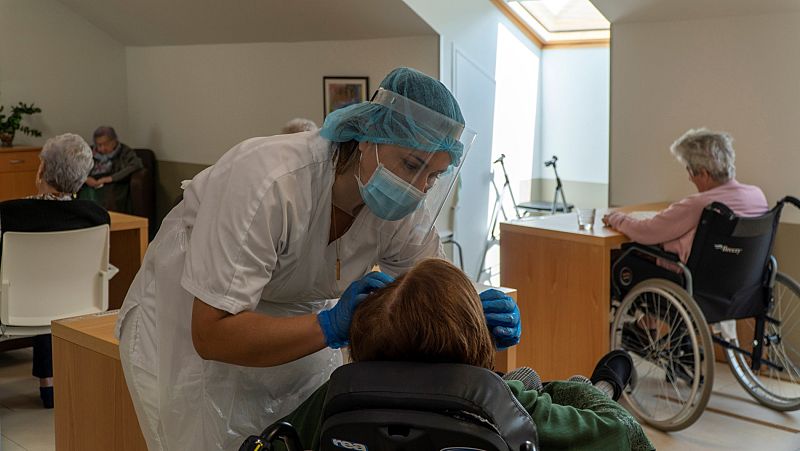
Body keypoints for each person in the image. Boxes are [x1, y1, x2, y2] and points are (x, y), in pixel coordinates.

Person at [115, 67, 521, 450]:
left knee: (306, 430)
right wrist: (330, 324)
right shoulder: (269, 182)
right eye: (412, 164)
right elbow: (211, 334)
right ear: (368, 136)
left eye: (434, 175)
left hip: (298, 322)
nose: (418, 187)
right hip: (191, 325)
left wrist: (473, 312)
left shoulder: (403, 211)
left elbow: (435, 284)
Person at [276, 258, 654, 451]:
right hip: (523, 391)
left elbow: (274, 442)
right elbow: (621, 435)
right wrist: (575, 391)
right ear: (474, 340)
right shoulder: (500, 401)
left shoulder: (338, 397)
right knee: (534, 380)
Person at [0, 133, 109, 408]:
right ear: (83, 178)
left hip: (16, 306)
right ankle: (50, 384)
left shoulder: (9, 214)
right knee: (52, 283)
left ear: (41, 170)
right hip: (75, 305)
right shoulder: (96, 216)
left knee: (32, 282)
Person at [603, 128, 768, 290]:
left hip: (693, 282)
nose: (689, 178)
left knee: (616, 261)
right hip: (741, 283)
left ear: (703, 173)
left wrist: (616, 218)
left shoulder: (701, 204)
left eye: (689, 171)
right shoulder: (756, 196)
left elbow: (647, 232)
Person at [77, 126, 143, 213]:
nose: (102, 148)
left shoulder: (124, 151)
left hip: (113, 184)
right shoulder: (89, 152)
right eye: (99, 145)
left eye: (106, 144)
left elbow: (136, 164)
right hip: (90, 183)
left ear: (114, 141)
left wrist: (110, 178)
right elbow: (76, 167)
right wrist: (86, 178)